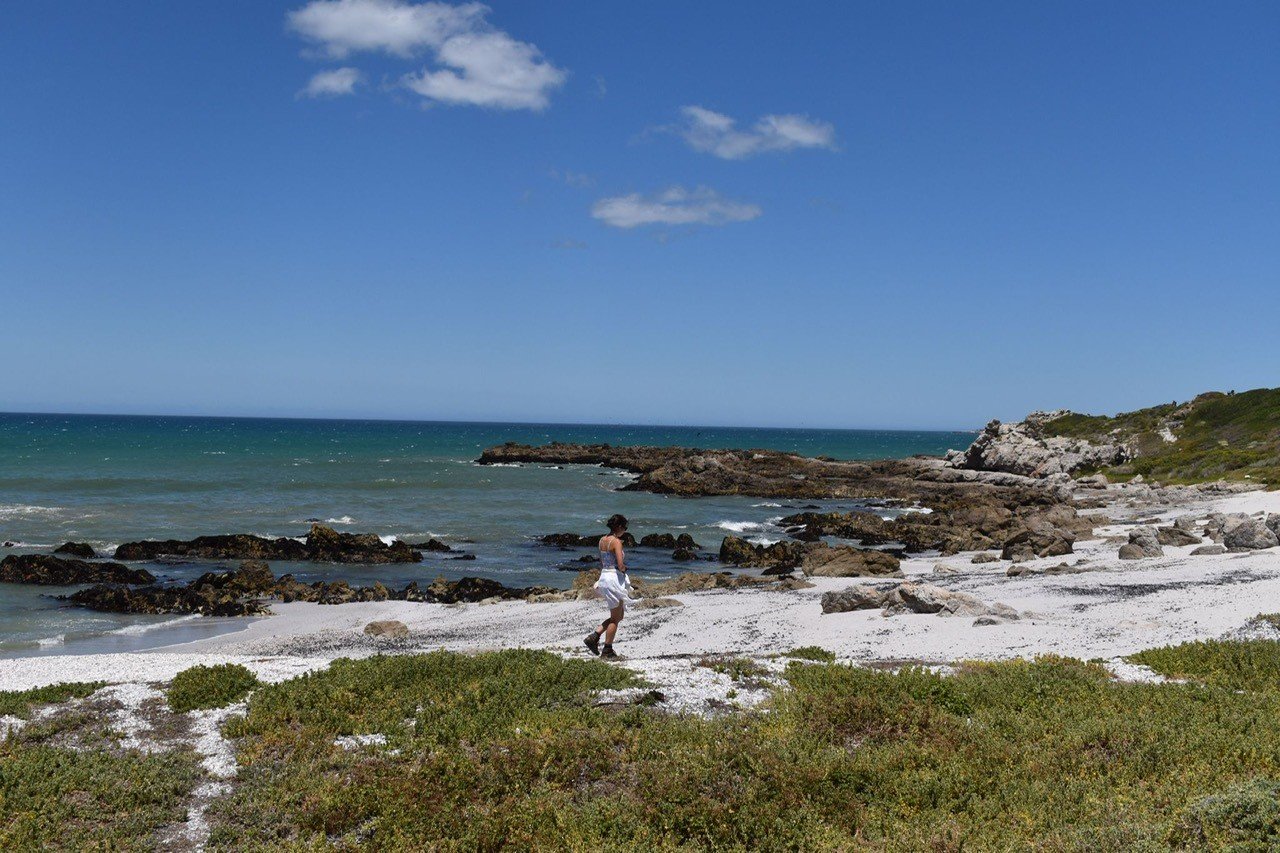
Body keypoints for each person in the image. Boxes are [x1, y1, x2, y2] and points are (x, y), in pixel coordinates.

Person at [584, 513, 631, 659]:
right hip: (613, 579)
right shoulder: (616, 542)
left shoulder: (601, 540)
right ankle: (607, 650)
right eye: (625, 527)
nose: (625, 530)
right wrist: (624, 569)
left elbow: (603, 561)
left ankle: (595, 636)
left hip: (604, 577)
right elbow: (620, 564)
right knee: (615, 619)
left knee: (617, 615)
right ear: (619, 527)